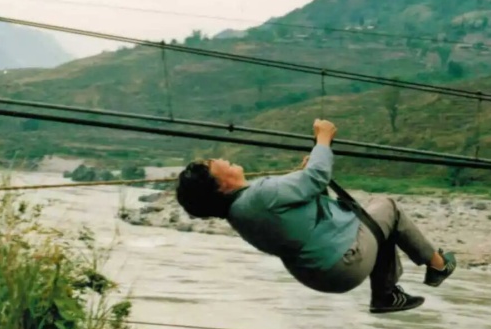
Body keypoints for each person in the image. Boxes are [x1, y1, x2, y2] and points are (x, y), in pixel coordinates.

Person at [176, 119, 456, 313]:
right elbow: (318, 176)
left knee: (373, 222)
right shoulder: (259, 196)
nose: (221, 159)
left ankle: (388, 295)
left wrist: (305, 173)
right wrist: (323, 137)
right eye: (213, 164)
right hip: (344, 263)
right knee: (387, 207)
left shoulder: (241, 212)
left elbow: (306, 197)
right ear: (220, 185)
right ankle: (437, 266)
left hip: (319, 275)